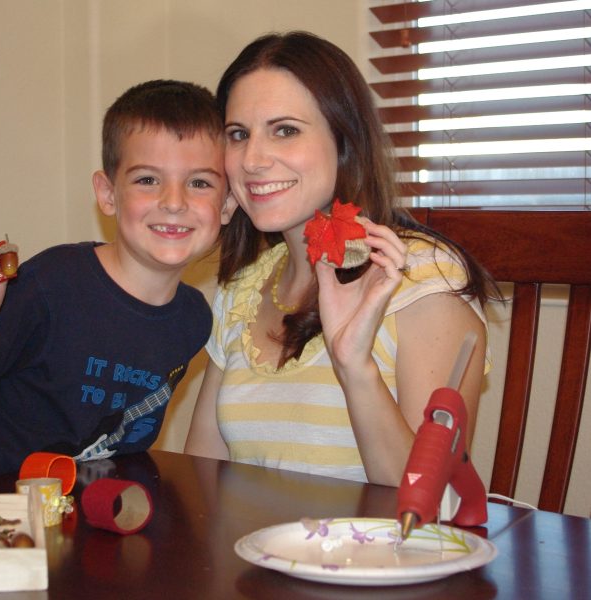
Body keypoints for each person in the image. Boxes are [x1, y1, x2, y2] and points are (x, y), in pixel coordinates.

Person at [185, 32, 500, 486]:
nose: (251, 160)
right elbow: (202, 480)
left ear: (344, 141)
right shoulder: (243, 290)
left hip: (374, 555)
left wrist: (356, 368)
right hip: (251, 553)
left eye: (285, 130)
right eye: (238, 134)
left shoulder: (423, 277)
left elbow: (429, 503)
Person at [0, 79, 236, 485]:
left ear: (227, 204)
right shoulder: (52, 283)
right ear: (107, 194)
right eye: (147, 180)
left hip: (72, 513)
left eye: (199, 183)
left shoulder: (194, 320)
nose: (174, 202)